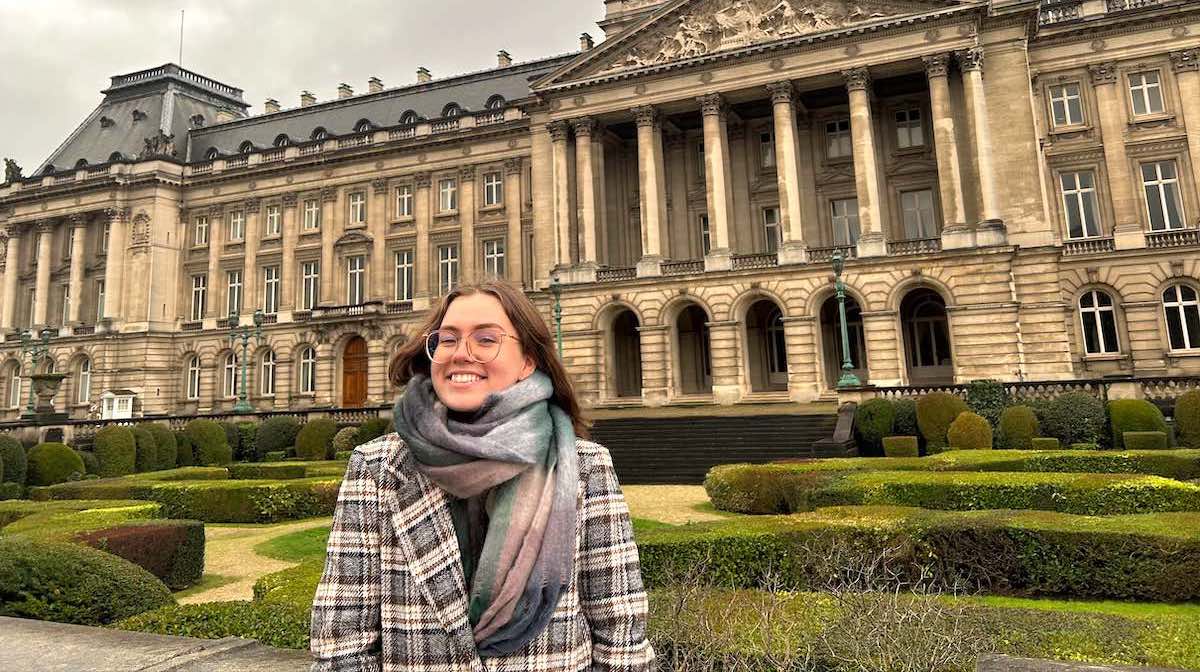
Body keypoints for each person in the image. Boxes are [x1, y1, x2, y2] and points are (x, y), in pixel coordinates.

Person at [310, 279, 655, 672]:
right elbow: (341, 645)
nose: (462, 354)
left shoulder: (587, 467)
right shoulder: (377, 468)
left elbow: (622, 640)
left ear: (528, 360)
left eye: (486, 339)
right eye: (448, 339)